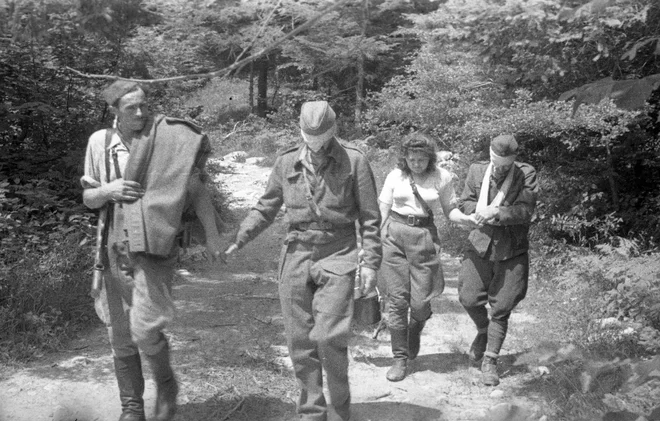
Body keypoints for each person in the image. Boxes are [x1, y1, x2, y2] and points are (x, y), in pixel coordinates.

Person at [223, 100, 381, 421]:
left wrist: (370, 264)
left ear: (333, 129)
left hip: (339, 251)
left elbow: (370, 218)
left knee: (329, 336)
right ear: (300, 131)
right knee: (299, 340)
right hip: (296, 251)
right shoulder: (286, 162)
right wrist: (241, 237)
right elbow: (266, 206)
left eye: (321, 136)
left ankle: (339, 410)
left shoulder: (354, 161)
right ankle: (312, 412)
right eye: (308, 136)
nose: (315, 143)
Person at [81, 80, 223, 421]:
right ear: (115, 111)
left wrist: (214, 236)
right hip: (113, 244)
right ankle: (132, 408)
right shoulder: (100, 143)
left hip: (155, 245)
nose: (141, 113)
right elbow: (89, 198)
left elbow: (197, 190)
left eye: (144, 105)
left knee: (145, 326)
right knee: (119, 331)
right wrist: (109, 190)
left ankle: (166, 384)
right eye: (132, 108)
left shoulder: (165, 140)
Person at [378, 133, 477, 382]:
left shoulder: (442, 177)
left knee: (420, 302)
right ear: (405, 158)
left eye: (421, 160)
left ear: (430, 159)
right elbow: (383, 209)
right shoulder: (395, 176)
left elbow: (450, 210)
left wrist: (465, 220)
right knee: (397, 301)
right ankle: (399, 359)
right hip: (394, 236)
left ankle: (416, 327)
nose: (416, 164)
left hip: (423, 238)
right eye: (411, 159)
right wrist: (373, 241)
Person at [457, 134, 538, 386]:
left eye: (506, 164)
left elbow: (526, 210)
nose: (501, 168)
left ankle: (490, 360)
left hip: (511, 248)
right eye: (497, 162)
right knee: (468, 297)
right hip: (479, 242)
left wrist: (497, 212)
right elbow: (465, 201)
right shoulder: (477, 170)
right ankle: (483, 330)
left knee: (502, 307)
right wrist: (476, 212)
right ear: (490, 156)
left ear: (513, 160)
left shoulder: (526, 173)